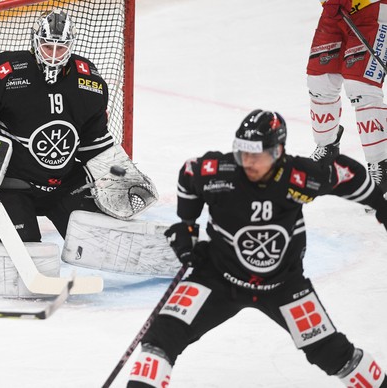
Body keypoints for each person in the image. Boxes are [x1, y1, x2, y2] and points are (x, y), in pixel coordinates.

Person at [127, 110, 387, 387]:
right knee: (160, 340)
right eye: (242, 153)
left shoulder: (299, 175)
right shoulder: (219, 172)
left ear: (277, 152)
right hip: (218, 277)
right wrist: (187, 225)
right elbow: (189, 173)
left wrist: (381, 206)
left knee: (334, 355)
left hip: (283, 286)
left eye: (257, 155)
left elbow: (347, 175)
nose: (247, 162)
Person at [0, 9, 122, 243]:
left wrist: (117, 173)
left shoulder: (88, 81)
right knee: (24, 255)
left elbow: (93, 139)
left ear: (70, 46)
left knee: (102, 242)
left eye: (60, 48)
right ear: (35, 42)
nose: (53, 55)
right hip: (12, 185)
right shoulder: (7, 71)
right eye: (47, 47)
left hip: (64, 183)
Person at [307, 0, 387, 195]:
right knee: (320, 81)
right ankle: (327, 151)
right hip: (334, 10)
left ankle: (381, 166)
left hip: (373, 9)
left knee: (361, 87)